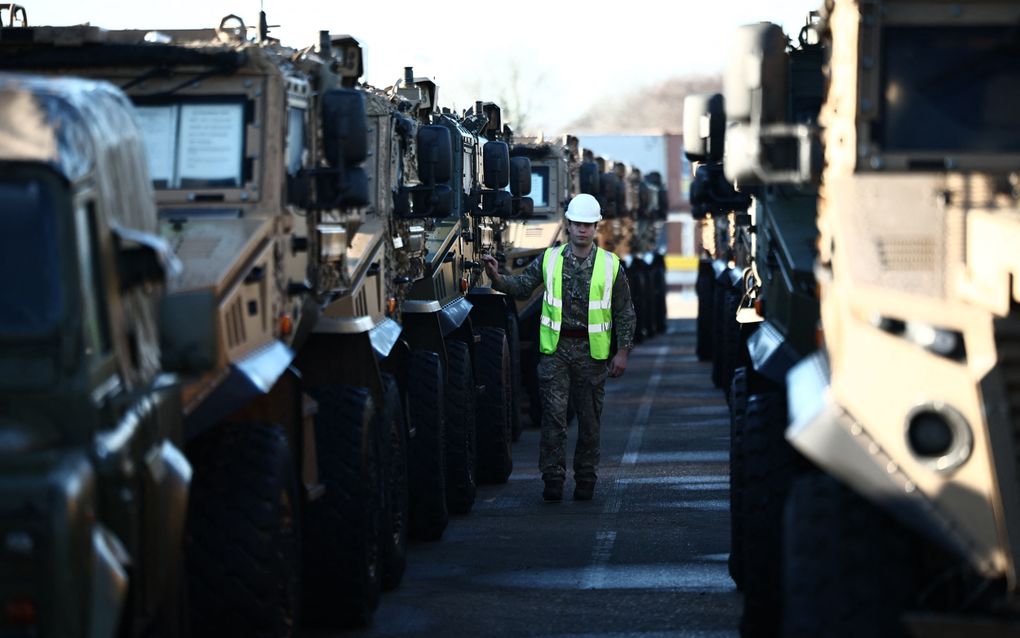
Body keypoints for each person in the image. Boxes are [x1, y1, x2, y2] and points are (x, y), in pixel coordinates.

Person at [481, 193, 636, 502]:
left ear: (595, 228)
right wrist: (497, 277)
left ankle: (586, 478)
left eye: (588, 225)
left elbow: (624, 310)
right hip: (555, 351)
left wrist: (622, 351)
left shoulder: (610, 265)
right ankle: (552, 478)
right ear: (568, 226)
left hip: (592, 355)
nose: (582, 230)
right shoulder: (550, 259)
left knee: (589, 422)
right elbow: (523, 286)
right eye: (577, 224)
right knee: (553, 419)